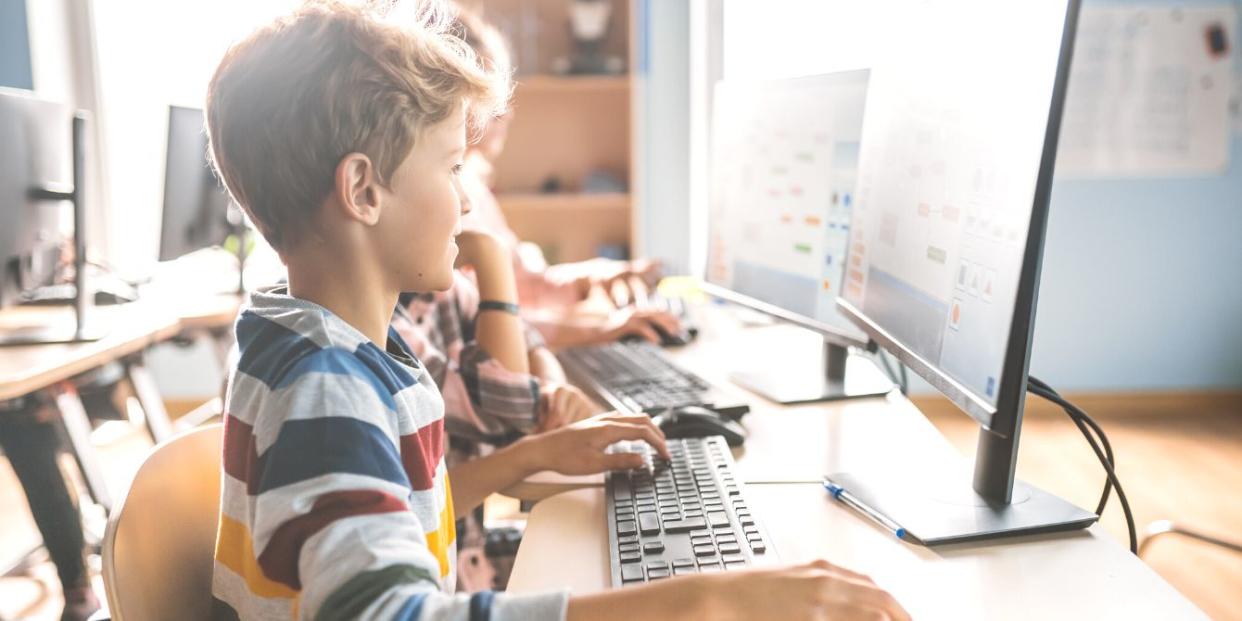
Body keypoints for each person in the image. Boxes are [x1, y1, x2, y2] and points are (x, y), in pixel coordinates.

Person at [204, 2, 909, 619]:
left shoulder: (318, 340)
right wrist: (708, 600)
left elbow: (394, 505)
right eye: (452, 168)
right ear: (363, 190)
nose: (471, 200)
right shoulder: (326, 387)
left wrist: (532, 456)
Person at [451, 8, 684, 349]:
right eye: (489, 98)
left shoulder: (473, 185)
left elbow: (520, 285)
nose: (507, 112)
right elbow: (478, 321)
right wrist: (594, 331)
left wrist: (595, 277)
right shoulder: (451, 199)